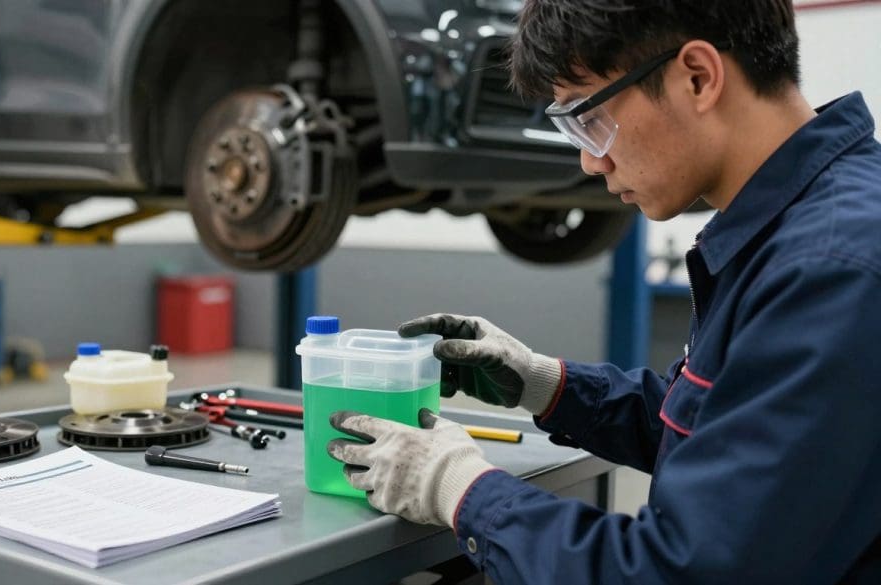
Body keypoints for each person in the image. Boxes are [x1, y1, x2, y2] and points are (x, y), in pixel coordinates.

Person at [325, 1, 881, 583]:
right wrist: (547, 384)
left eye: (589, 118)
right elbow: (727, 440)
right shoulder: (796, 233)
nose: (590, 161)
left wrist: (459, 488)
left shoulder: (830, 268)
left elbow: (680, 571)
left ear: (698, 76)